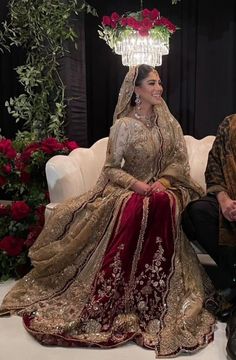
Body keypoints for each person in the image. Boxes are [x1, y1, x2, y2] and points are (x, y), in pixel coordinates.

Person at [0, 65, 215, 357]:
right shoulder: (124, 126)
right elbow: (112, 169)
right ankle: (121, 297)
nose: (159, 89)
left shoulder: (169, 123)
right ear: (136, 90)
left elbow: (179, 163)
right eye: (152, 83)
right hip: (132, 189)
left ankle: (156, 295)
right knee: (138, 206)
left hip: (169, 188)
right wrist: (139, 185)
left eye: (160, 83)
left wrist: (162, 182)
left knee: (163, 202)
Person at [182, 114, 236, 360]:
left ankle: (232, 288)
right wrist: (224, 201)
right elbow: (214, 169)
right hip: (231, 204)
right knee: (197, 213)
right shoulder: (229, 124)